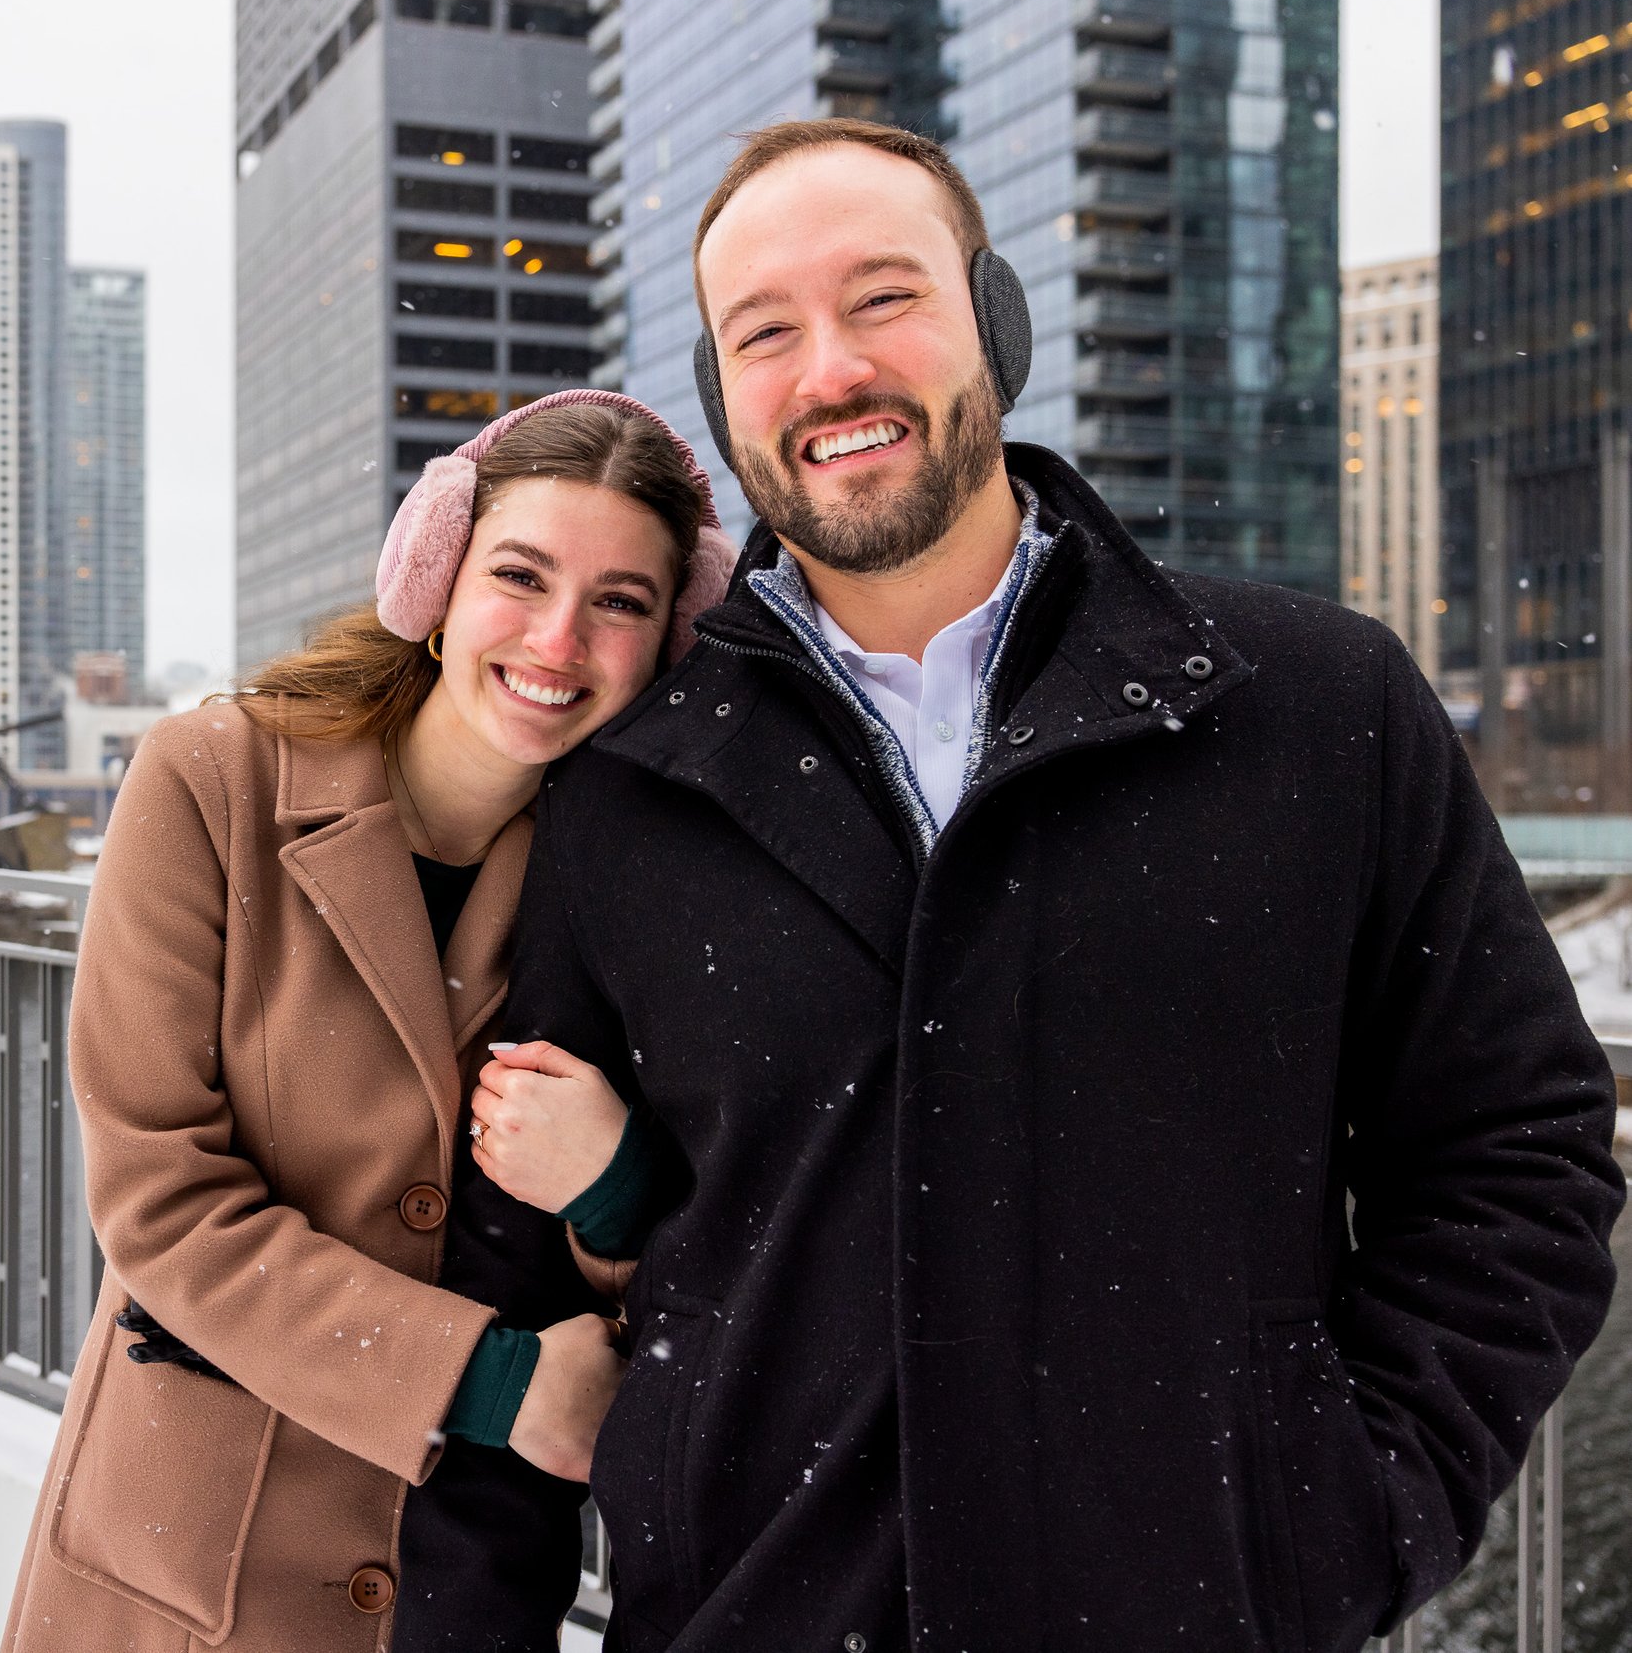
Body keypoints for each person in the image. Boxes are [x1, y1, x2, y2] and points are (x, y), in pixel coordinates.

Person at [472, 120, 1626, 1652]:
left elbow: (1518, 1154)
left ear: (993, 324)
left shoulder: (1318, 707)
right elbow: (504, 1268)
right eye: (766, 332)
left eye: (885, 299)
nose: (829, 374)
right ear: (721, 396)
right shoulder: (624, 790)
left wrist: (1344, 1518)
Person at [0, 391, 739, 1653]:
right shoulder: (211, 781)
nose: (559, 639)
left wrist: (613, 1192)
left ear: (669, 637)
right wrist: (486, 1380)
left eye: (619, 600)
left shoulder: (648, 880)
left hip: (465, 1580)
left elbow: (718, 1245)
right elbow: (156, 1198)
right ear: (434, 577)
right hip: (197, 1562)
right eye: (520, 574)